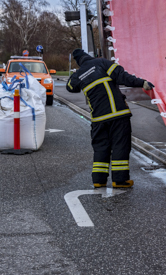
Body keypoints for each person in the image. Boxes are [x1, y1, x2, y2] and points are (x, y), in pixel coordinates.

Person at [66, 49, 154, 188]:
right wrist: (141, 83)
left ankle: (99, 180)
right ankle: (119, 180)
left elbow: (70, 87)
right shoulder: (101, 63)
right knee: (120, 145)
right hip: (117, 114)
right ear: (87, 56)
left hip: (98, 119)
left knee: (101, 148)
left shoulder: (79, 74)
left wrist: (78, 73)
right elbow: (122, 76)